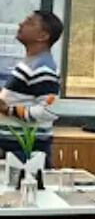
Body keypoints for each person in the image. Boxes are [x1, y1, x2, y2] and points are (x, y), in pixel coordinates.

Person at [0, 10, 63, 167]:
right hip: (13, 149)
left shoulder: (44, 69)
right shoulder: (29, 64)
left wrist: (8, 109)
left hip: (25, 153)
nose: (21, 24)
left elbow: (47, 111)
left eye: (29, 22)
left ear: (43, 36)